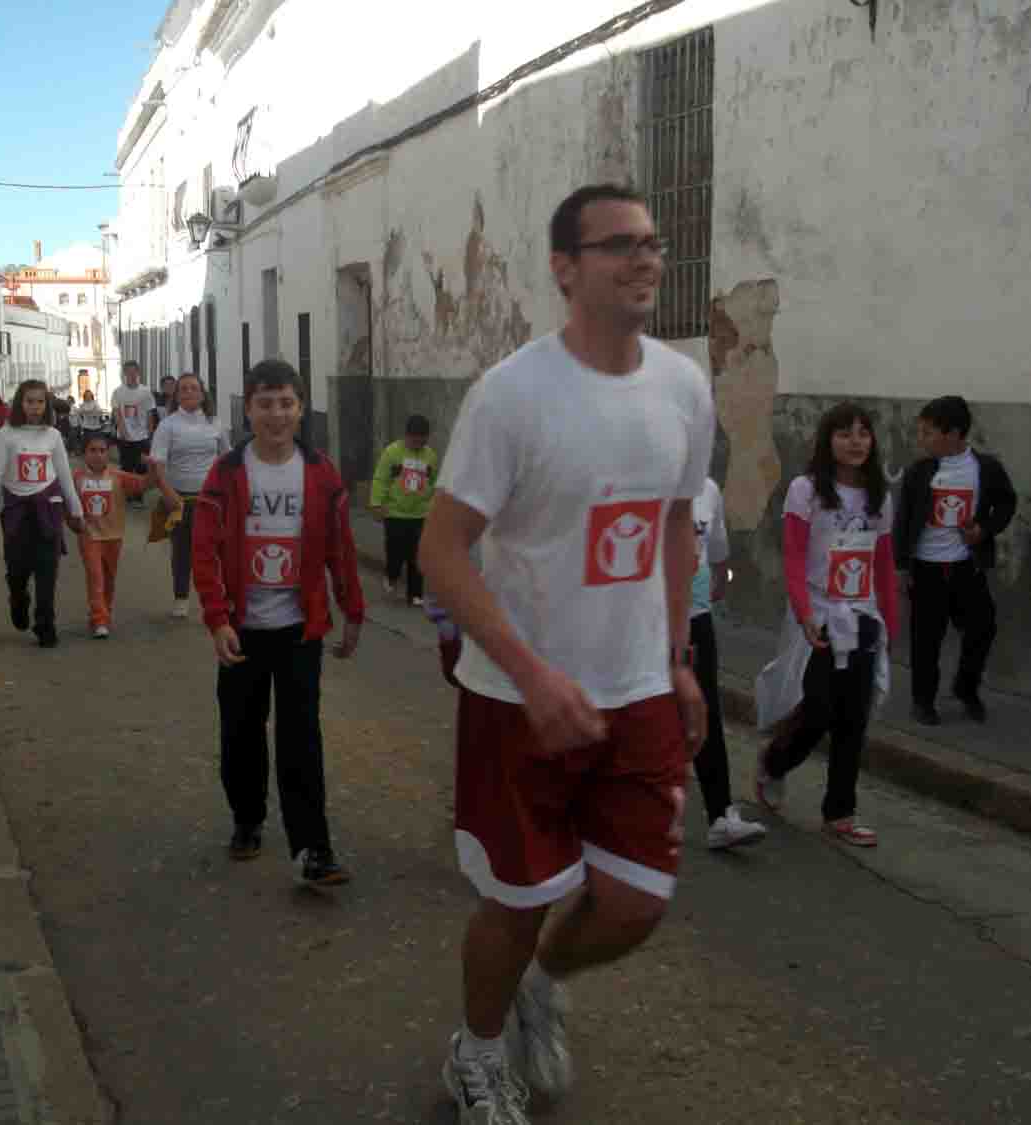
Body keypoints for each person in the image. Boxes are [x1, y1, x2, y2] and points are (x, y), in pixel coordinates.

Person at [418, 184, 712, 1123]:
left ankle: (539, 986)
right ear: (566, 268)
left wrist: (677, 655)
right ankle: (475, 1051)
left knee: (636, 903)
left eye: (652, 244)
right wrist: (532, 672)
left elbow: (672, 524)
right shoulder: (511, 395)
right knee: (516, 898)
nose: (645, 259)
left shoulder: (683, 386)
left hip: (637, 692)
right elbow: (441, 549)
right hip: (517, 698)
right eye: (619, 244)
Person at [191, 359, 366, 888]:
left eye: (287, 402)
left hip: (299, 630)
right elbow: (204, 553)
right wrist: (217, 620)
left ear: (300, 408)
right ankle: (248, 817)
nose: (277, 414)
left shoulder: (321, 473)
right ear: (248, 409)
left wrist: (351, 609)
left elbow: (341, 547)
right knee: (241, 733)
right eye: (265, 403)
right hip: (242, 630)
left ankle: (313, 848)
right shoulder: (225, 474)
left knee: (300, 739)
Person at [753, 402, 899, 849]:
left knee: (853, 718)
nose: (856, 442)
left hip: (862, 617)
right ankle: (774, 764)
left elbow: (884, 564)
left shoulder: (880, 495)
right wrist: (804, 614)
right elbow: (794, 557)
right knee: (817, 709)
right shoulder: (807, 490)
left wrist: (889, 625)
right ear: (827, 441)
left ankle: (840, 812)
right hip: (818, 615)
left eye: (863, 433)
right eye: (844, 433)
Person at [892, 396, 1018, 725]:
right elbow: (903, 519)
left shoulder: (985, 468)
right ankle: (923, 700)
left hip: (966, 566)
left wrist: (984, 530)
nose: (921, 439)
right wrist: (901, 566)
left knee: (982, 627)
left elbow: (1006, 504)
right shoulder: (919, 472)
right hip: (926, 568)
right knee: (926, 639)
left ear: (954, 434)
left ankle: (966, 687)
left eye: (928, 432)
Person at [689, 476, 766, 849]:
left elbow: (716, 548)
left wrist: (718, 576)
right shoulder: (640, 474)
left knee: (705, 711)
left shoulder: (708, 490)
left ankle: (720, 815)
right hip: (641, 619)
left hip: (695, 615)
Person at [0, 379, 84, 648]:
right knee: (17, 570)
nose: (34, 407)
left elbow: (64, 475)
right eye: (29, 401)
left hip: (48, 508)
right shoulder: (6, 434)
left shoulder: (53, 435)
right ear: (20, 403)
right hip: (16, 511)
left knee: (47, 570)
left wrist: (76, 509)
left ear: (46, 404)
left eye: (39, 402)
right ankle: (18, 597)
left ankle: (45, 624)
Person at [150, 372, 229, 619]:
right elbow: (157, 465)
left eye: (194, 388)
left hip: (210, 499)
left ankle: (216, 599)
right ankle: (181, 597)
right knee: (182, 550)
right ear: (177, 395)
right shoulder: (168, 425)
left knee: (213, 551)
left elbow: (226, 458)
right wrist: (168, 493)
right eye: (183, 389)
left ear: (203, 393)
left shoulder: (214, 423)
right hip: (179, 499)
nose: (189, 393)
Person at [73, 434, 150, 638]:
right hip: (89, 536)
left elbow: (144, 484)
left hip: (113, 536)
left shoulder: (118, 476)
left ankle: (103, 613)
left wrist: (155, 466)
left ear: (108, 453)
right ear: (84, 453)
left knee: (108, 579)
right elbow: (66, 503)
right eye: (93, 450)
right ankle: (99, 619)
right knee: (95, 575)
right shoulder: (77, 478)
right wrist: (73, 523)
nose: (98, 455)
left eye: (102, 451)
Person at [369, 414, 438, 606]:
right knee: (395, 553)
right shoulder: (392, 453)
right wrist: (376, 503)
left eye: (422, 439)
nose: (418, 443)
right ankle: (391, 577)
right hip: (395, 514)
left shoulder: (430, 456)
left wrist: (435, 508)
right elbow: (381, 479)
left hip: (420, 514)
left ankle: (415, 594)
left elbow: (434, 483)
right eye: (414, 438)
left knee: (418, 556)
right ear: (406, 435)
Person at [111, 361, 157, 506]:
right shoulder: (118, 392)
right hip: (125, 437)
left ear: (138, 373)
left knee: (142, 468)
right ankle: (128, 495)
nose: (131, 375)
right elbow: (117, 413)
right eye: (128, 372)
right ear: (125, 373)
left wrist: (149, 433)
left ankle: (138, 495)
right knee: (126, 467)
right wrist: (123, 432)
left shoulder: (145, 391)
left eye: (134, 372)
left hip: (142, 437)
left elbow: (150, 413)